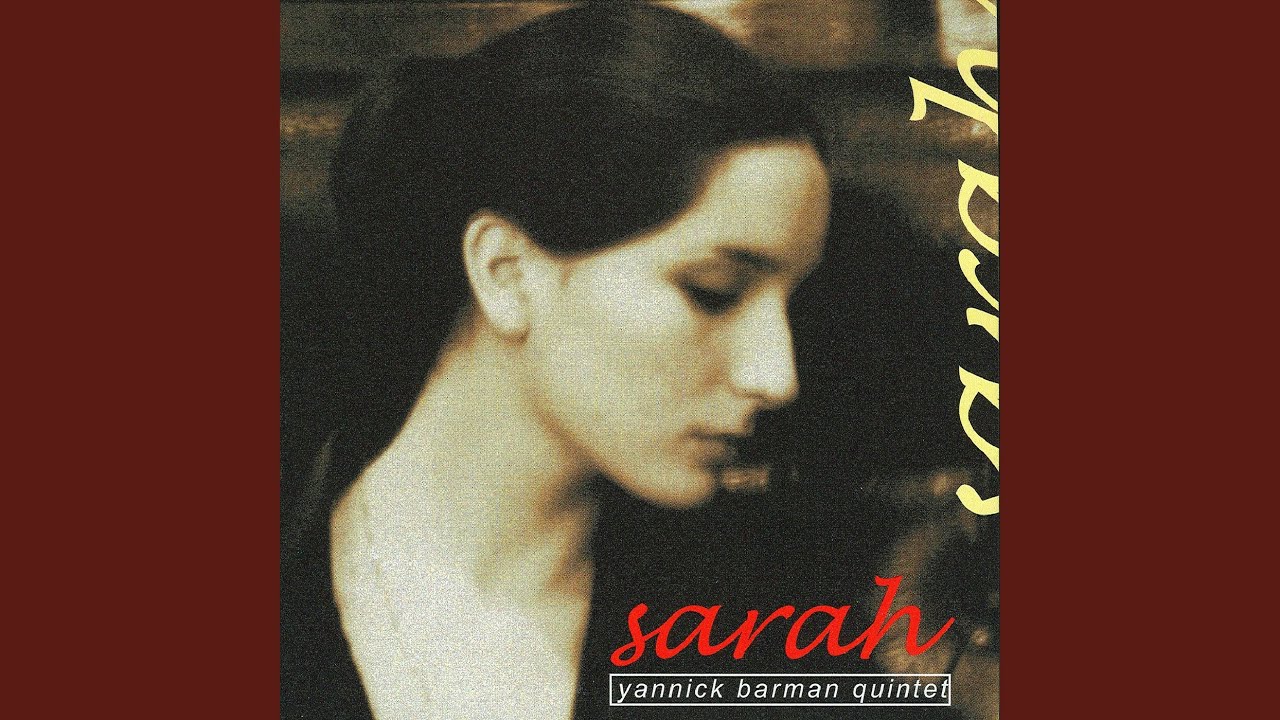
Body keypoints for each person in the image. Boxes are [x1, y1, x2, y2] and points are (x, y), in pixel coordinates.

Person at [280, 4, 831, 719]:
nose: (776, 375)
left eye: (793, 304)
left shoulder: (767, 634)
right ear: (506, 272)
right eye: (713, 291)